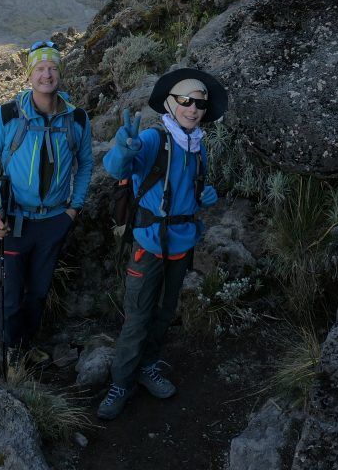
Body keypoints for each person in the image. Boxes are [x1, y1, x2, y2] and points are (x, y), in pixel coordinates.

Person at [96, 68, 227, 420]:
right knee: (138, 317)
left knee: (165, 313)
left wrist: (203, 198)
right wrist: (123, 147)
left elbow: (191, 194)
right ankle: (121, 383)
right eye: (186, 100)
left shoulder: (198, 148)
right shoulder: (155, 139)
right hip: (148, 244)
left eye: (200, 103)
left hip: (182, 244)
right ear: (171, 103)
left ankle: (148, 366)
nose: (193, 108)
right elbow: (114, 166)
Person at [0, 39, 93, 368]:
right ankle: (13, 354)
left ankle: (27, 344)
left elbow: (85, 164)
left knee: (39, 292)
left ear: (60, 73)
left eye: (52, 68)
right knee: (12, 296)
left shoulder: (77, 120)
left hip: (55, 220)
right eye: (40, 68)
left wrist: (74, 208)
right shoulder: (9, 115)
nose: (47, 74)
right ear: (29, 76)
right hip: (15, 220)